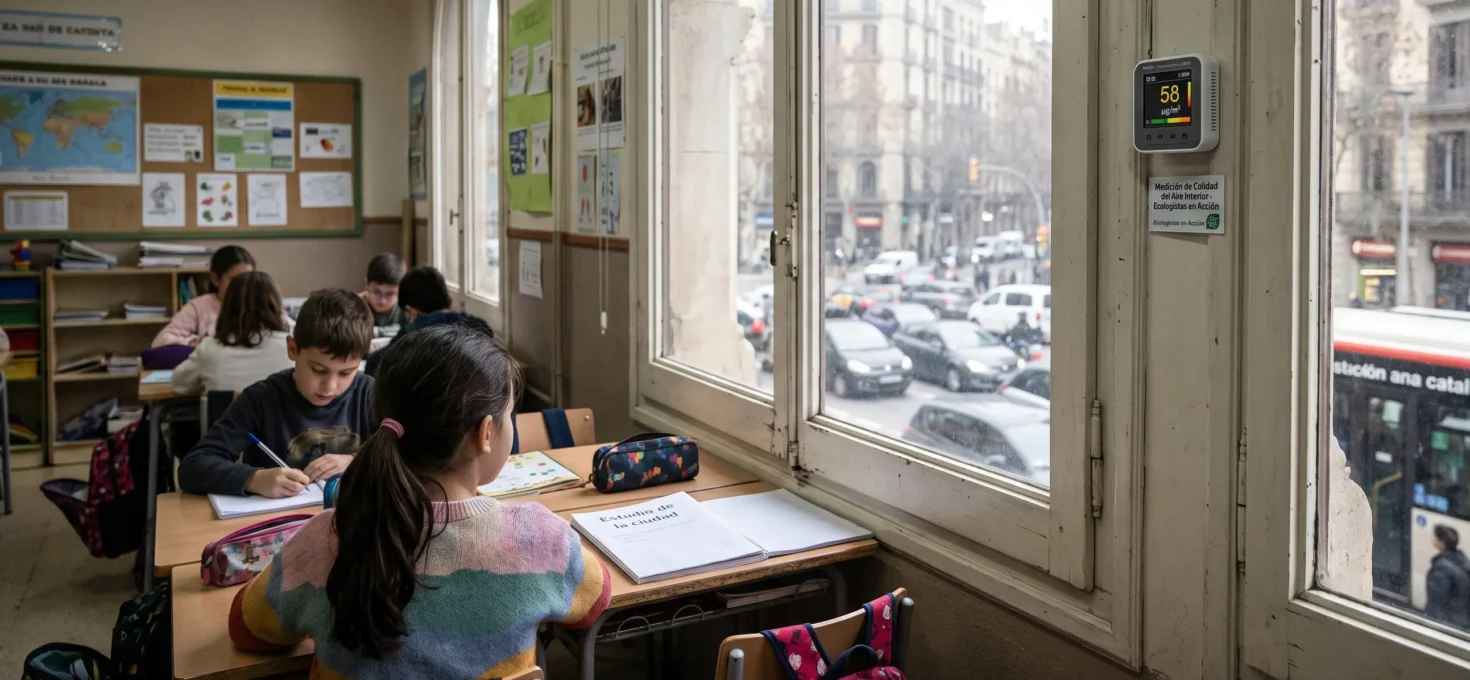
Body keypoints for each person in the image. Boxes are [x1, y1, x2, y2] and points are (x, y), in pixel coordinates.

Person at [228, 324, 611, 677]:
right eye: (509, 414)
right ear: (485, 434)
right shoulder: (540, 538)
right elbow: (594, 601)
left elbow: (247, 629)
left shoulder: (325, 538)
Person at [178, 289, 376, 497]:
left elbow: (407, 454)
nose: (330, 387)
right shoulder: (261, 399)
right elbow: (193, 467)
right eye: (318, 370)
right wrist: (253, 479)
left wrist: (355, 462)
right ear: (292, 349)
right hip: (280, 523)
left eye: (346, 373)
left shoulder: (369, 394)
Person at [170, 271, 293, 394]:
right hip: (279, 413)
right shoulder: (292, 346)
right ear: (276, 305)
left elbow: (179, 384)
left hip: (225, 412)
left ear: (227, 305)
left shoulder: (210, 348)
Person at [364, 266, 491, 376]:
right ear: (450, 301)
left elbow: (375, 365)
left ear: (411, 310)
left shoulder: (410, 333)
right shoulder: (477, 326)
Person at [154, 246, 289, 347]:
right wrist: (196, 342)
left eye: (248, 279)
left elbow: (291, 332)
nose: (243, 286)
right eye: (236, 280)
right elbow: (160, 342)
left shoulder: (263, 304)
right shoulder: (198, 307)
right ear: (216, 279)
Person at [1425, 524, 1470, 629]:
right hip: (1463, 623)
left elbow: (1436, 604)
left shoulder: (1441, 569)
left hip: (1449, 625)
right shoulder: (1463, 562)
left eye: (1434, 537)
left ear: (1441, 542)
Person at [360, 252, 408, 337]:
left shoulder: (406, 308)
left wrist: (375, 332)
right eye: (377, 292)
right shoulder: (358, 306)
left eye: (390, 294)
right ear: (367, 284)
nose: (382, 300)